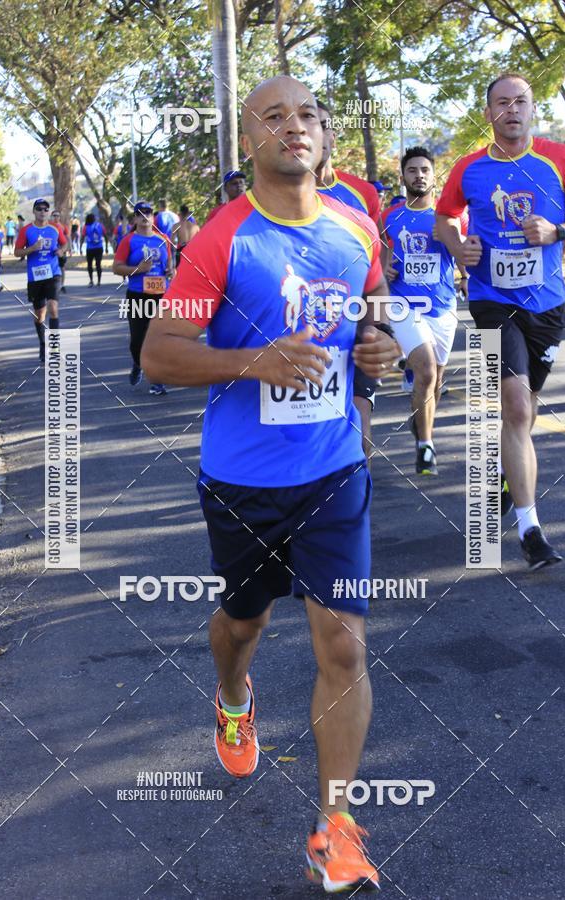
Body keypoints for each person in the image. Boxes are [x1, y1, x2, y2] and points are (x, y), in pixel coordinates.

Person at [142, 74, 399, 894]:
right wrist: (251, 359)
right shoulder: (219, 240)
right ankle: (231, 693)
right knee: (242, 626)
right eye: (275, 116)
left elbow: (374, 316)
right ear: (249, 141)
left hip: (334, 468)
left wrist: (382, 349)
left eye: (310, 115)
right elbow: (160, 354)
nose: (297, 126)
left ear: (325, 138)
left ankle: (337, 826)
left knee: (343, 641)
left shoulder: (359, 227)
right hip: (243, 484)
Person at [436, 72, 565, 569]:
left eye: (521, 101)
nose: (512, 109)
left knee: (527, 409)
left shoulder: (560, 159)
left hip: (547, 305)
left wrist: (557, 229)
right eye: (502, 103)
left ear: (532, 109)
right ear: (489, 112)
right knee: (515, 407)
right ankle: (531, 531)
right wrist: (458, 246)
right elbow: (445, 218)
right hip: (493, 300)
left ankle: (507, 481)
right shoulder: (468, 169)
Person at [380, 147, 467, 475]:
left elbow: (462, 253)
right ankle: (426, 446)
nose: (419, 175)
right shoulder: (390, 216)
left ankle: (422, 424)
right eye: (412, 170)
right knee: (427, 370)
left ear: (434, 176)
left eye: (425, 170)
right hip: (404, 304)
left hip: (442, 306)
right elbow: (382, 257)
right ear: (403, 176)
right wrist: (385, 271)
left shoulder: (449, 217)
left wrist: (465, 274)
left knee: (437, 378)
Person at [316, 100, 382, 456]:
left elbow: (378, 251)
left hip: (356, 320)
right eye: (309, 123)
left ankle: (358, 508)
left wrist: (379, 326)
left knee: (359, 417)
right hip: (305, 324)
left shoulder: (363, 193)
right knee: (311, 431)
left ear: (334, 135)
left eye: (325, 124)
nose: (319, 133)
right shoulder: (278, 195)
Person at [113, 200, 173, 396]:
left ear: (153, 216)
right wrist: (138, 269)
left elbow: (170, 266)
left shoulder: (163, 238)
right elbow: (117, 268)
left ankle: (157, 381)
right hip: (138, 295)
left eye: (148, 212)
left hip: (161, 294)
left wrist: (171, 271)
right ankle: (138, 364)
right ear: (135, 218)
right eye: (140, 213)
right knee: (138, 340)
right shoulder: (129, 240)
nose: (145, 216)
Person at [14, 198, 67, 363]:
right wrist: (32, 248)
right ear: (34, 211)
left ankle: (55, 346)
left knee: (53, 307)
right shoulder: (26, 231)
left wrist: (61, 251)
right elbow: (17, 252)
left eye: (45, 209)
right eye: (39, 209)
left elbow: (65, 244)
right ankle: (43, 343)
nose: (42, 212)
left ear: (48, 212)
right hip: (35, 276)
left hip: (53, 273)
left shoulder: (55, 229)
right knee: (39, 315)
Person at [81, 213, 105, 286]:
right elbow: (105, 235)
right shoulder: (100, 225)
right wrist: (106, 247)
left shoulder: (86, 227)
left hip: (90, 248)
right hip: (99, 247)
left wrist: (80, 247)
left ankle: (91, 280)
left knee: (90, 265)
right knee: (98, 264)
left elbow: (82, 237)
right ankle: (99, 281)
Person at [50, 210, 70, 293]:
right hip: (51, 251)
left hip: (61, 250)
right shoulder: (48, 226)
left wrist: (70, 249)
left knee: (62, 268)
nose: (56, 217)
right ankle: (52, 284)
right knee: (52, 268)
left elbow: (68, 238)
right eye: (54, 215)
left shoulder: (63, 227)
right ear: (51, 216)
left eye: (57, 216)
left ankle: (62, 285)